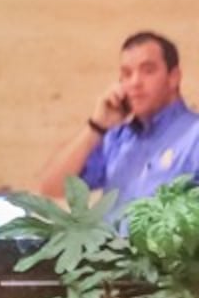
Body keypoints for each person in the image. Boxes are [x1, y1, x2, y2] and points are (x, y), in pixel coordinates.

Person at [38, 31, 199, 213]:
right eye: (126, 74)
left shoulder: (194, 136)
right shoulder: (117, 138)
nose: (135, 82)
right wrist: (96, 127)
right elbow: (52, 188)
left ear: (174, 77)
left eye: (148, 70)